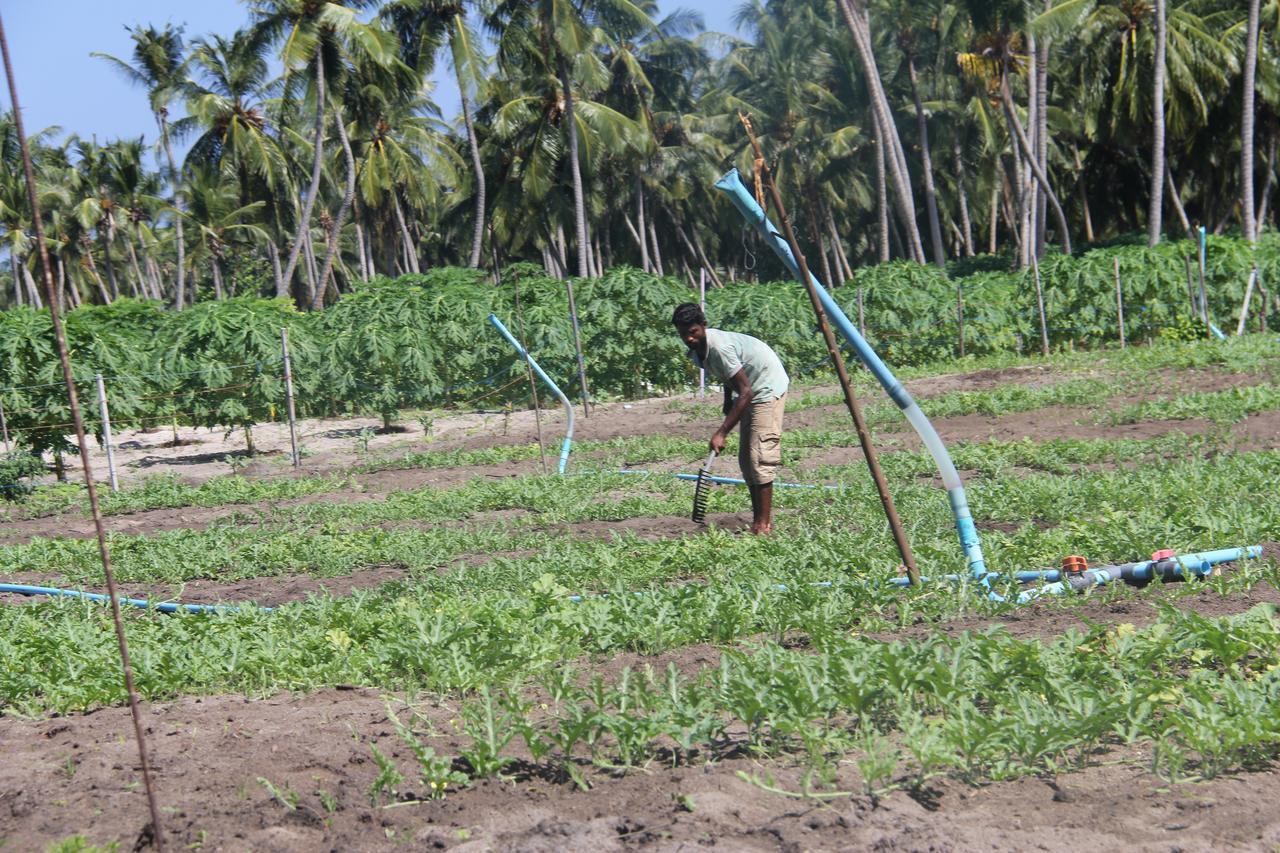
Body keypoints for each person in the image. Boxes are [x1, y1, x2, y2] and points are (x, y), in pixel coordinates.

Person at [672, 303, 789, 535]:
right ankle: (759, 520)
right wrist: (728, 400)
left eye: (693, 332)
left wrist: (722, 432)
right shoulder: (698, 351)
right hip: (749, 388)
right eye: (683, 334)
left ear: (704, 326)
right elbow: (730, 376)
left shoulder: (720, 347)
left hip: (765, 385)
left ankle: (763, 525)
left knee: (760, 456)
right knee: (747, 461)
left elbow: (746, 391)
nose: (689, 338)